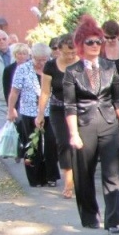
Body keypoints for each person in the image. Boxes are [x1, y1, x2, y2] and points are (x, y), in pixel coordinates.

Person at [63, 15, 119, 234]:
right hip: (84, 125)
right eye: (90, 42)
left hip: (108, 123)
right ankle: (90, 215)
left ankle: (114, 220)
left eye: (98, 41)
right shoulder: (72, 71)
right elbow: (70, 105)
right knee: (84, 173)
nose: (95, 46)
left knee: (112, 173)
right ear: (81, 45)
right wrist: (74, 134)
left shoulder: (110, 67)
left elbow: (118, 99)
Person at [8, 43, 59, 187]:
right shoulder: (23, 69)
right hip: (29, 112)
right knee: (32, 145)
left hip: (50, 112)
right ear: (32, 57)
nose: (42, 63)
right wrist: (11, 109)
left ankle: (51, 176)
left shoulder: (52, 67)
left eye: (45, 59)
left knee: (51, 142)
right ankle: (35, 177)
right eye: (38, 60)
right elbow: (15, 91)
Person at [37, 34, 78, 199]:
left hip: (79, 109)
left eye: (73, 53)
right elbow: (45, 91)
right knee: (63, 143)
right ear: (58, 50)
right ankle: (68, 181)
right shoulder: (50, 66)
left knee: (81, 145)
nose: (70, 56)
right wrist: (40, 114)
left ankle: (80, 178)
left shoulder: (83, 63)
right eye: (66, 53)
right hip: (58, 109)